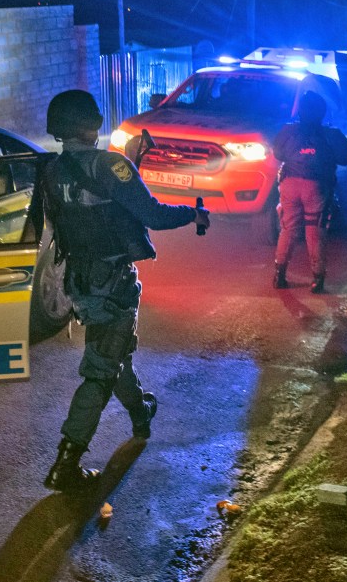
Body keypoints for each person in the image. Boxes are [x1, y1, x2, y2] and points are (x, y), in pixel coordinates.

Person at [40, 89, 210, 491]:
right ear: (93, 124)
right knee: (100, 369)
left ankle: (140, 413)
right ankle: (66, 462)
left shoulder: (52, 170)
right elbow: (152, 213)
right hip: (111, 282)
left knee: (113, 351)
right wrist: (193, 213)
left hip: (78, 281)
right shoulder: (110, 165)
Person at [271, 90, 347, 293]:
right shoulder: (331, 135)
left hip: (290, 184)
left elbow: (278, 153)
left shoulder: (288, 131)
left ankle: (279, 275)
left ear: (300, 111)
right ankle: (317, 279)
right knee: (314, 231)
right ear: (322, 112)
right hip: (317, 187)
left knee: (288, 229)